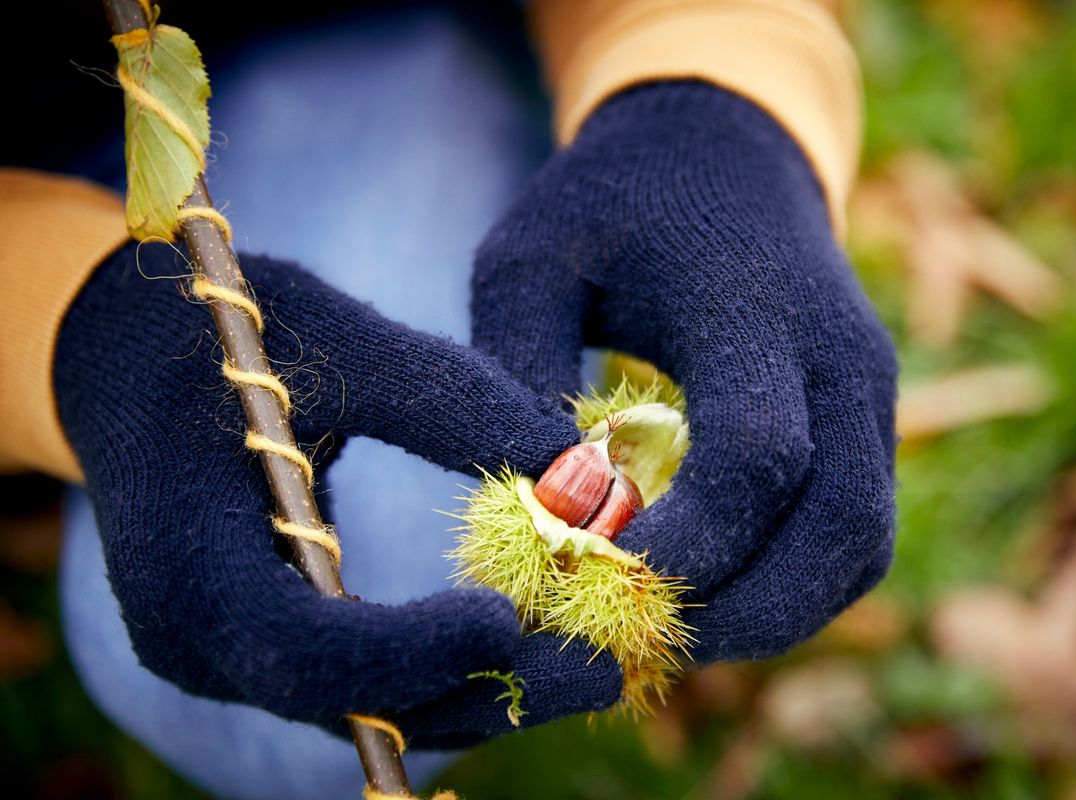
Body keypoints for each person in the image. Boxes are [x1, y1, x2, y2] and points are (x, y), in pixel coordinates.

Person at [0, 1, 897, 797]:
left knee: (388, 569)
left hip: (357, 36)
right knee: (250, 689)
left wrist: (709, 100)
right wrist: (67, 321)